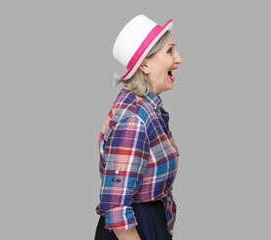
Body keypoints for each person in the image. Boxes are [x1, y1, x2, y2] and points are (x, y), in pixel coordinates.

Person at [94, 15, 183, 240]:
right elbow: (117, 209)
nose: (179, 59)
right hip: (135, 229)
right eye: (170, 51)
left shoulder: (147, 108)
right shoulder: (133, 119)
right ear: (144, 64)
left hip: (147, 222)